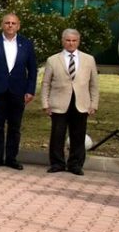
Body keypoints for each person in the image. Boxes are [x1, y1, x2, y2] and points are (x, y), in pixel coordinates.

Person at [0, 13, 38, 170]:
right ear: (2, 25)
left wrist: (30, 90)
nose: (10, 25)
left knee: (15, 127)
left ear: (18, 25)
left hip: (18, 91)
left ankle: (12, 158)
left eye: (13, 23)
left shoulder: (26, 44)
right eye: (7, 23)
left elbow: (32, 70)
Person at [42, 29, 100, 175]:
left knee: (78, 135)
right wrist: (45, 103)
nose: (71, 43)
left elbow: (94, 84)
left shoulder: (89, 59)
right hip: (59, 103)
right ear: (63, 41)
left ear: (78, 41)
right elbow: (45, 84)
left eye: (74, 40)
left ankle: (75, 164)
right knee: (57, 135)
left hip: (81, 103)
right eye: (68, 40)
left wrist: (94, 104)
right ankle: (57, 163)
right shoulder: (53, 60)